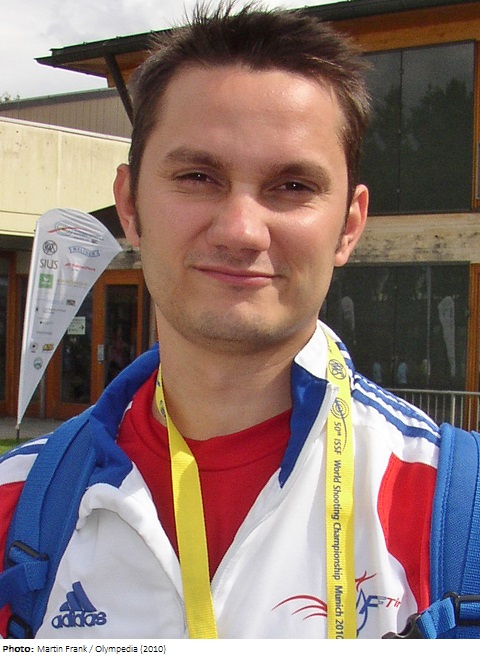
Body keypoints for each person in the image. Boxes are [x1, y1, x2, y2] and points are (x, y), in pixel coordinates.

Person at [0, 1, 442, 639]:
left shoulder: (455, 510)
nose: (240, 231)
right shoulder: (16, 504)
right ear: (130, 205)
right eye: (198, 175)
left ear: (349, 225)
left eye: (292, 186)